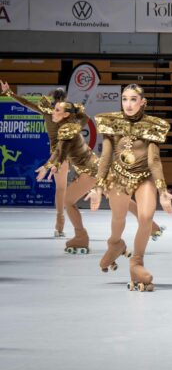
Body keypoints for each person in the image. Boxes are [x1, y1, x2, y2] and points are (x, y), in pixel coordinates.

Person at [25, 95, 163, 257]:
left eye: (56, 110)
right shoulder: (71, 125)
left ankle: (80, 237)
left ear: (66, 114)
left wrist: (48, 165)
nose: (51, 112)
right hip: (97, 169)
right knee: (119, 199)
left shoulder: (67, 129)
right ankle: (153, 227)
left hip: (91, 172)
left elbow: (59, 152)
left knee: (67, 201)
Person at [87, 84, 172, 291]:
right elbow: (106, 156)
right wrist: (98, 186)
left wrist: (163, 191)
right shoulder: (112, 122)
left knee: (146, 216)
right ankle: (115, 243)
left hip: (145, 177)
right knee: (118, 218)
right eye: (125, 99)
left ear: (143, 102)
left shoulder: (152, 126)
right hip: (119, 177)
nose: (128, 104)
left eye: (133, 99)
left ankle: (137, 262)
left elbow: (154, 160)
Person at [1, 84, 70, 236]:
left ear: (53, 99)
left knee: (60, 189)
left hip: (59, 153)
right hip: (67, 153)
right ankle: (60, 225)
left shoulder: (47, 112)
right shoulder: (66, 114)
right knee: (63, 189)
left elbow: (26, 103)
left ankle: (60, 225)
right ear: (64, 100)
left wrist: (10, 93)